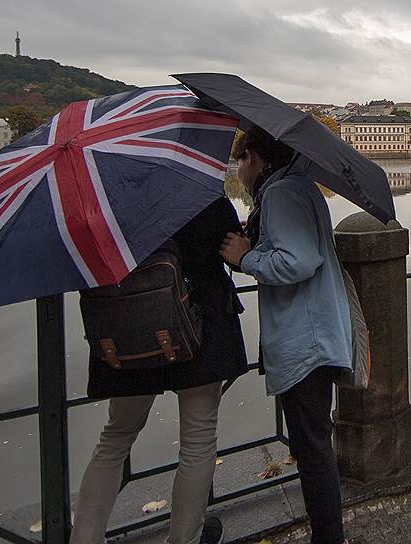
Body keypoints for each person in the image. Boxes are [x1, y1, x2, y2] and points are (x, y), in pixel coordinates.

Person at [70, 197, 248, 544]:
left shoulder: (105, 202)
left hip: (128, 329)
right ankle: (185, 538)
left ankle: (85, 538)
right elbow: (231, 249)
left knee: (116, 436)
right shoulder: (199, 194)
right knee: (198, 440)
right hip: (200, 327)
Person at [219, 127, 351, 544]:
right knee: (315, 446)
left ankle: (328, 538)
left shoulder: (280, 194)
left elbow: (298, 261)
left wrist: (245, 258)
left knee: (312, 450)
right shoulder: (296, 188)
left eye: (239, 160)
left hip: (306, 341)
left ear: (255, 157)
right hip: (317, 333)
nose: (238, 170)